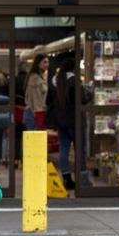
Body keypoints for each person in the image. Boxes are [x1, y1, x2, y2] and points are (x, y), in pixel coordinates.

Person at [46, 57, 80, 191]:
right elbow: (81, 98)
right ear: (73, 68)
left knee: (64, 150)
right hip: (74, 120)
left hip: (60, 121)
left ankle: (66, 178)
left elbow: (48, 101)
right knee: (79, 150)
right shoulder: (73, 80)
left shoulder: (55, 80)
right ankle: (81, 178)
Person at [24, 55, 48, 131]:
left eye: (48, 62)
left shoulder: (37, 77)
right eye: (44, 62)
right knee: (35, 141)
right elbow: (35, 99)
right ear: (38, 64)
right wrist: (39, 116)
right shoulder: (35, 79)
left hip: (34, 113)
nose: (47, 64)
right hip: (34, 114)